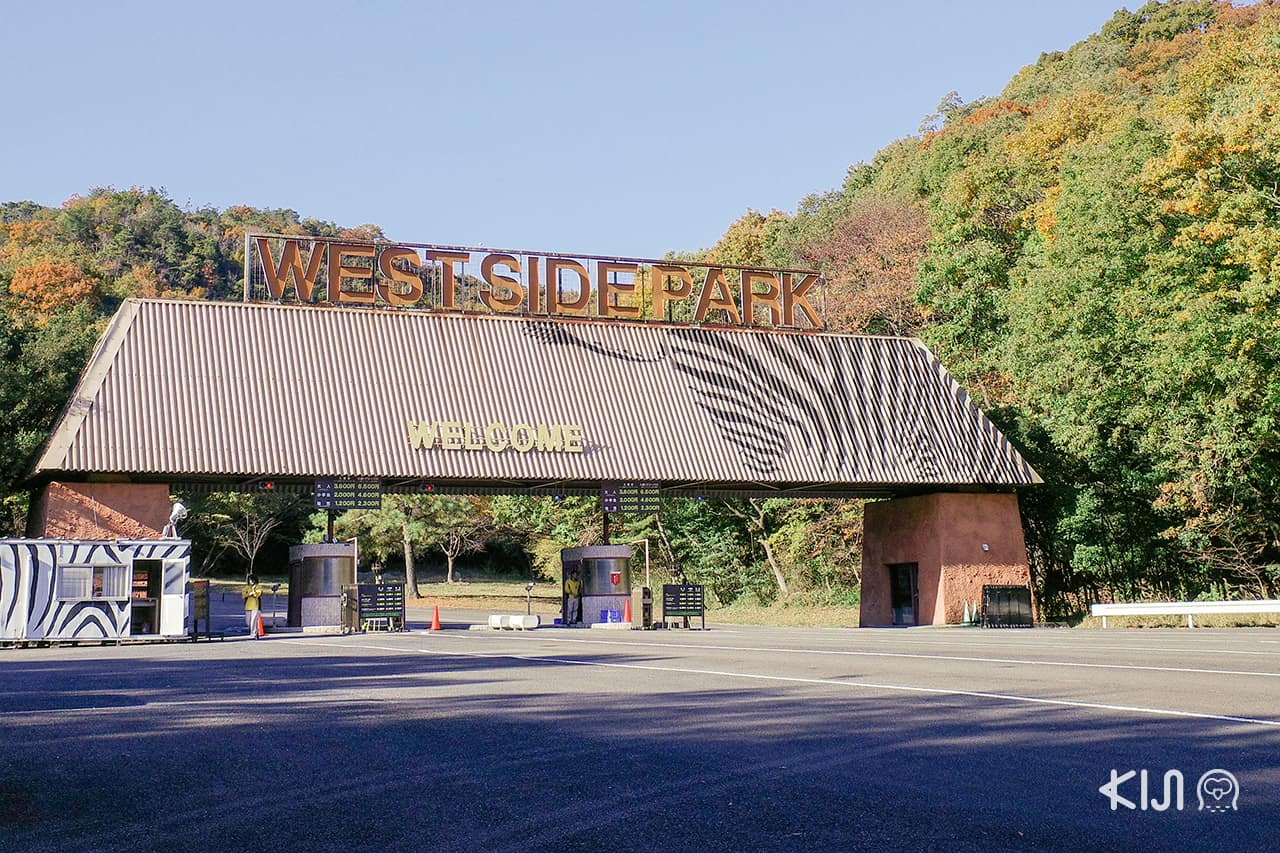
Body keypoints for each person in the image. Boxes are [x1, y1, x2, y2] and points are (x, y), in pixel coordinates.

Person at [242, 573, 265, 639]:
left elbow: (257, 595)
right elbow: (243, 594)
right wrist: (249, 594)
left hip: (256, 607)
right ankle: (255, 632)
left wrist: (253, 590)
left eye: (252, 580)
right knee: (248, 622)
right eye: (249, 580)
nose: (251, 581)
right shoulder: (247, 587)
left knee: (253, 622)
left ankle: (254, 634)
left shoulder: (258, 586)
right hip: (248, 606)